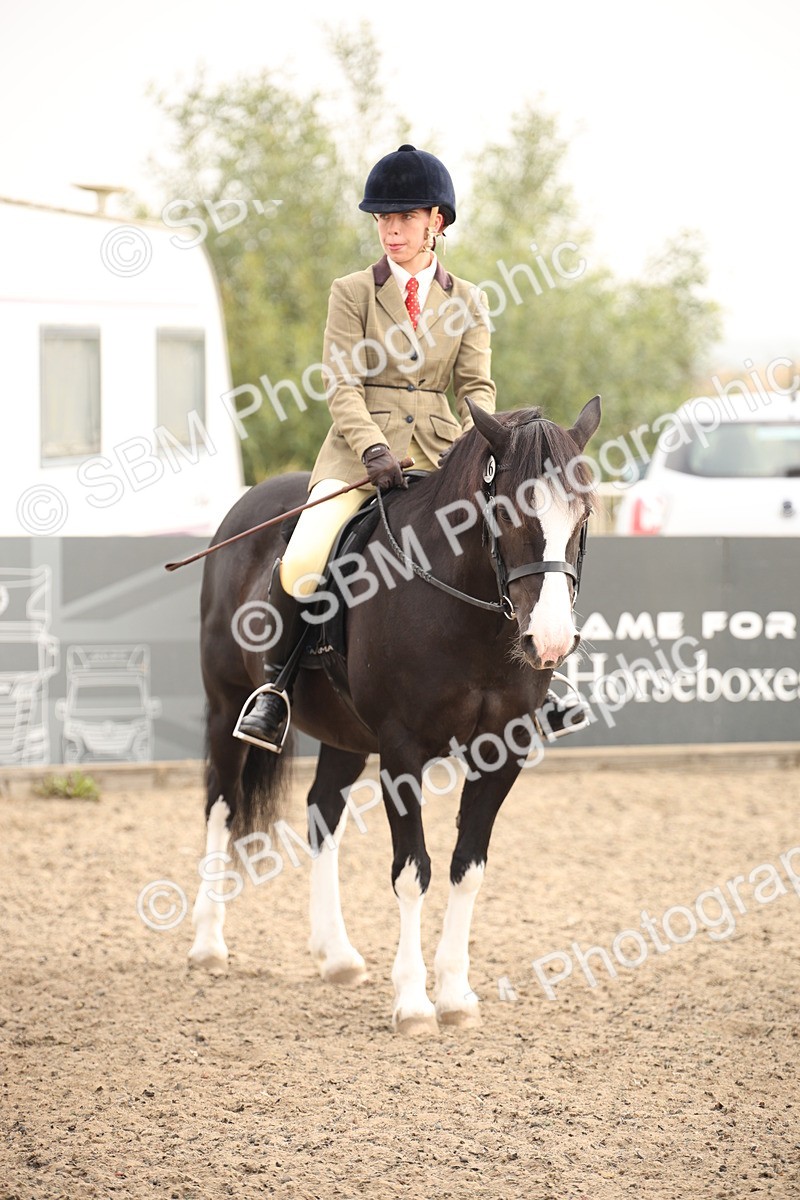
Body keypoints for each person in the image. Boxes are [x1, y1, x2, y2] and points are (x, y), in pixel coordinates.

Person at [235, 144, 586, 752]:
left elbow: (476, 386)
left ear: (435, 222)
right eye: (382, 219)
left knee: (520, 538)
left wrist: (484, 446)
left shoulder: (469, 300)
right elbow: (341, 382)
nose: (391, 230)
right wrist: (370, 447)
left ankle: (549, 683)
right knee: (303, 559)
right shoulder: (352, 292)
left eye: (403, 218)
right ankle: (276, 690)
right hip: (357, 453)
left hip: (445, 453)